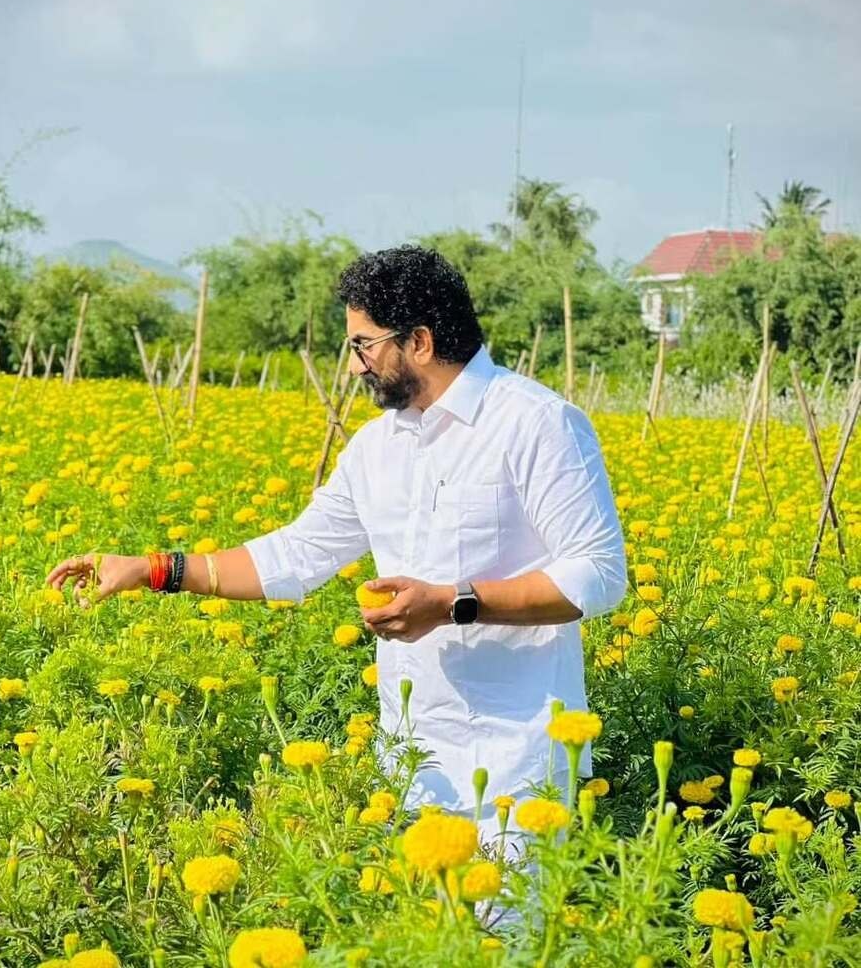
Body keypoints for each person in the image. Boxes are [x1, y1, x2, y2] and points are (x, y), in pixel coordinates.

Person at [45, 244, 627, 859]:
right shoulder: (379, 446)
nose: (355, 366)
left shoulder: (537, 423)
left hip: (515, 769)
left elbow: (596, 573)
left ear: (420, 342)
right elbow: (297, 554)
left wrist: (453, 603)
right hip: (411, 764)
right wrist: (154, 569)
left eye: (364, 345)